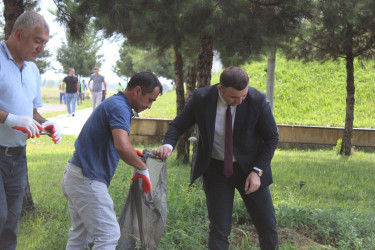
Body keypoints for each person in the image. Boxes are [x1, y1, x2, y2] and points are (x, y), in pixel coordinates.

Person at [153, 66, 279, 250]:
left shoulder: (257, 100)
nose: (240, 100)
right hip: (216, 171)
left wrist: (257, 171)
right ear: (220, 88)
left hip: (251, 170)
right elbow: (178, 125)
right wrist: (167, 145)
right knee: (219, 229)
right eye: (234, 97)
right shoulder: (201, 98)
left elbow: (272, 137)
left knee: (267, 225)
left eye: (243, 95)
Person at [61, 72, 163, 249]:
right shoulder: (119, 107)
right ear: (137, 90)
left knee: (80, 236)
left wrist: (133, 153)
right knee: (109, 234)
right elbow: (122, 146)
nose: (149, 106)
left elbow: (116, 142)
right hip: (87, 180)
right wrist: (142, 168)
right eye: (150, 100)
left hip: (76, 175)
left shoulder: (116, 103)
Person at [0, 12, 62, 250]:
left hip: (18, 157)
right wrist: (9, 119)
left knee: (11, 222)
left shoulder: (33, 70)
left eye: (45, 42)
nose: (42, 48)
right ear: (19, 34)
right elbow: (15, 117)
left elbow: (32, 112)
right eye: (38, 41)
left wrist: (47, 123)